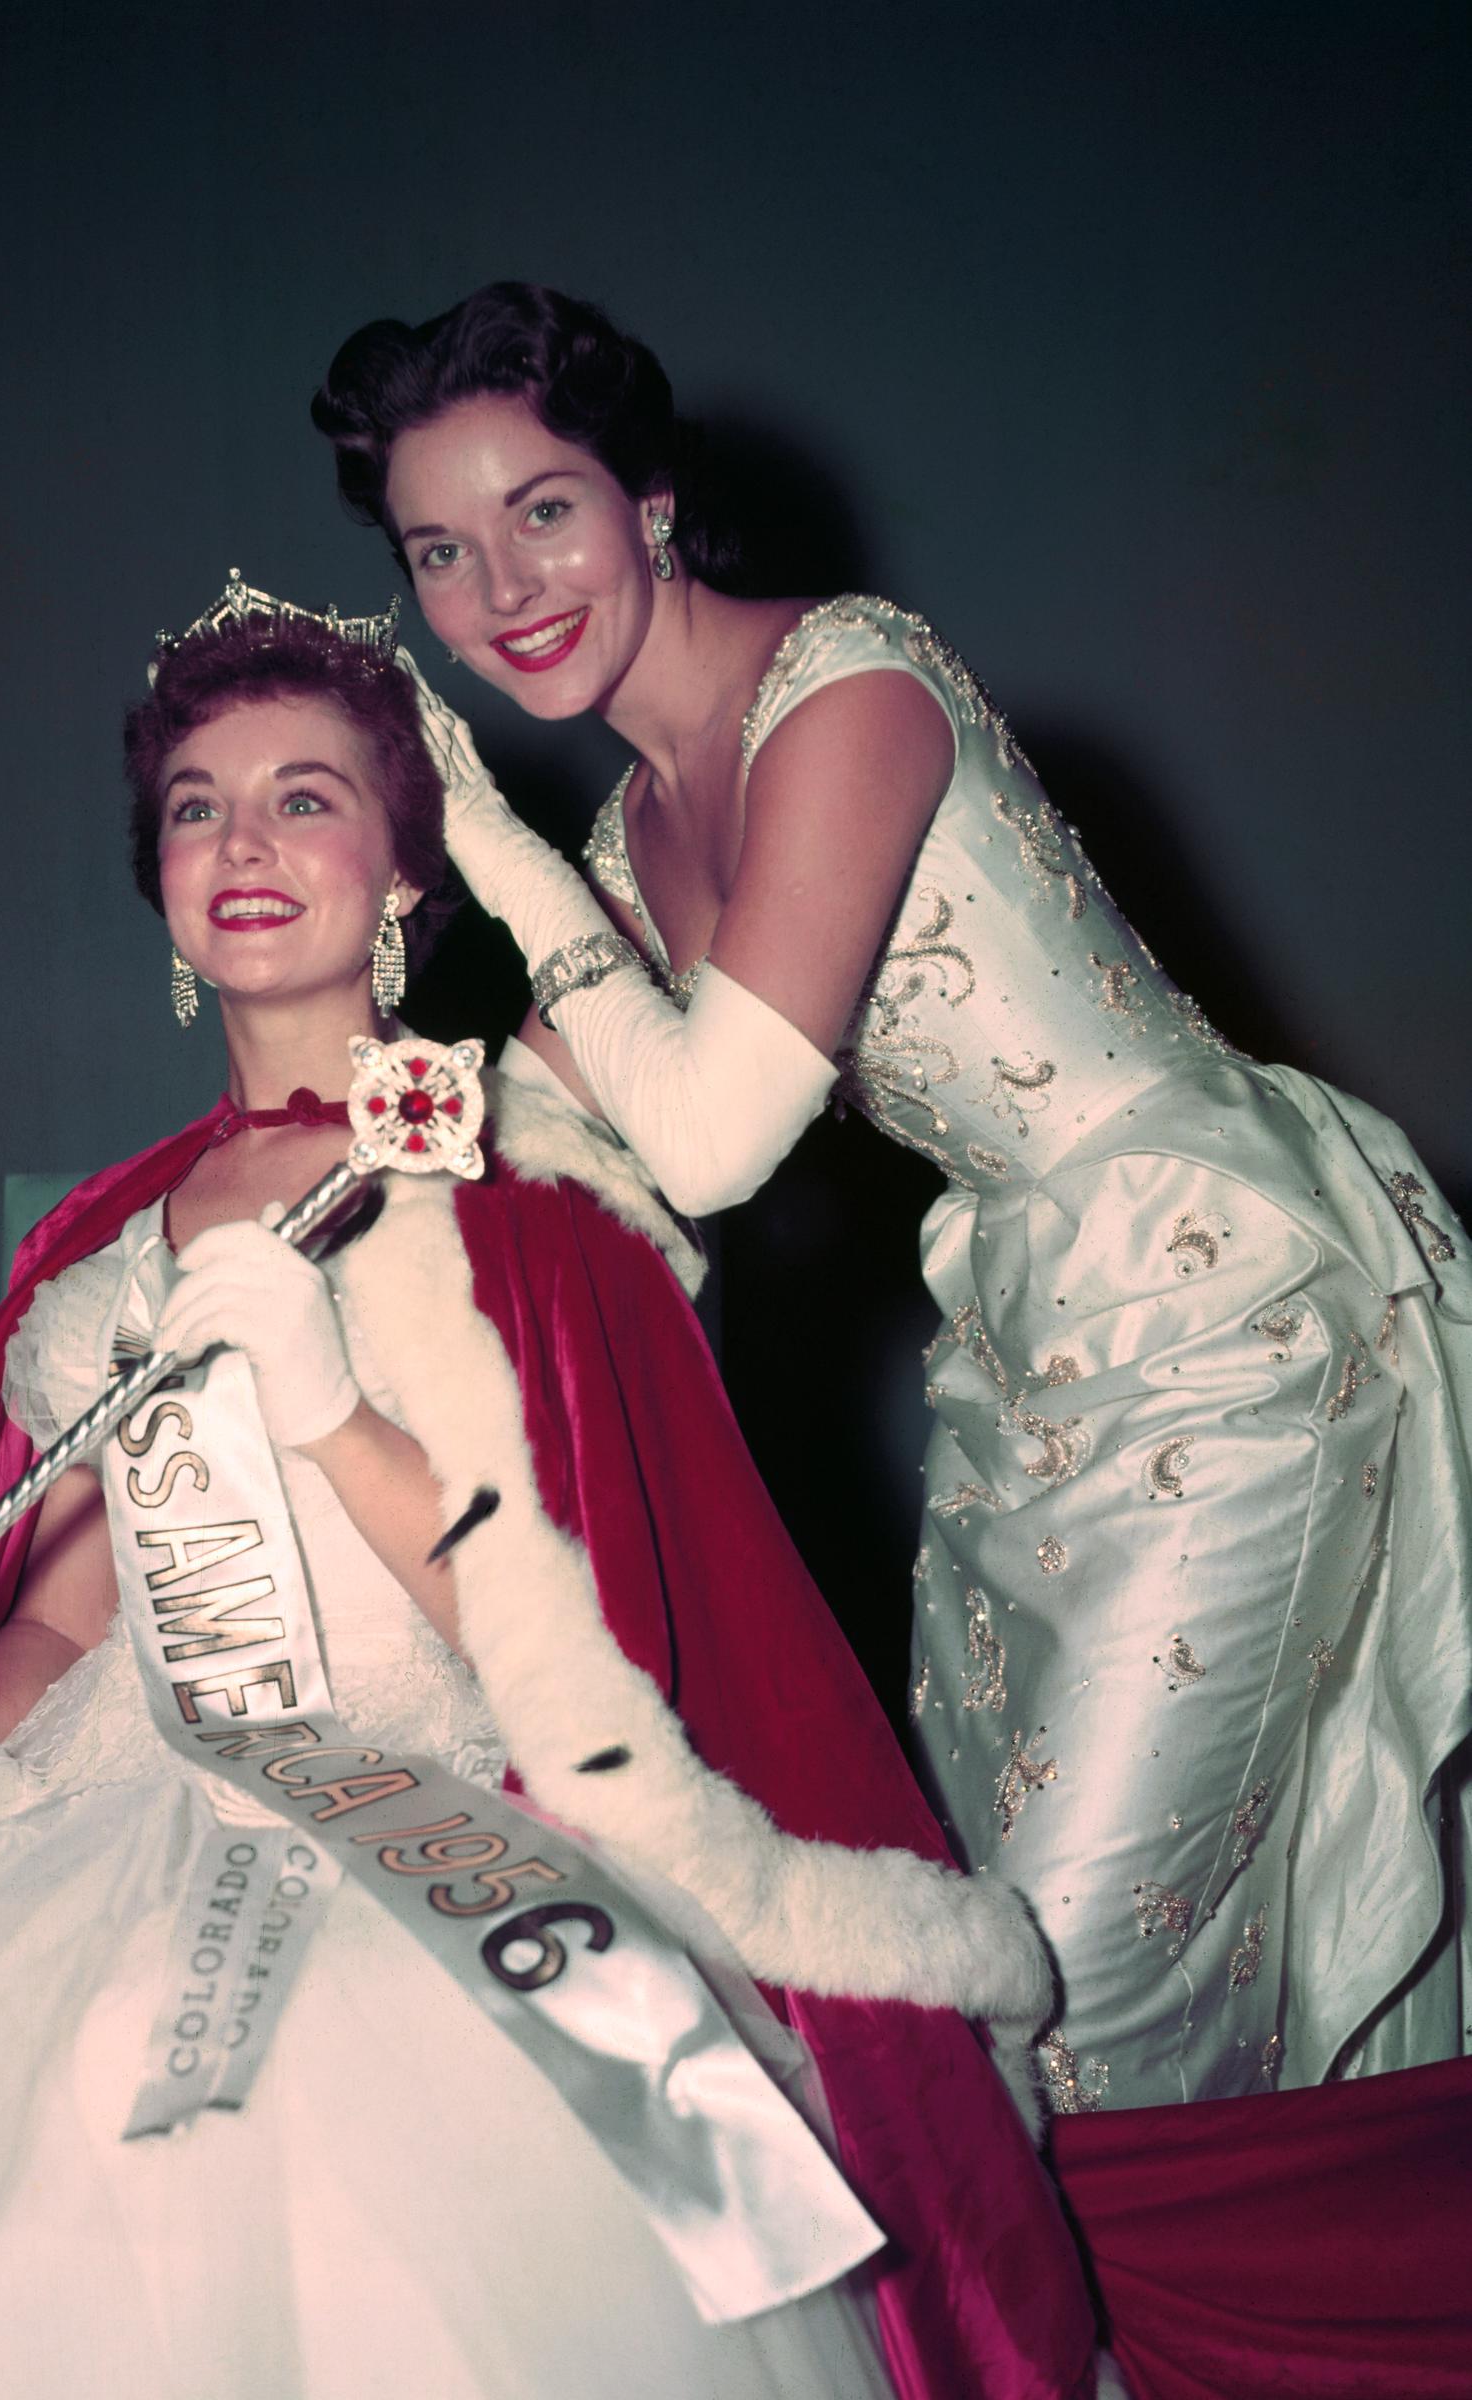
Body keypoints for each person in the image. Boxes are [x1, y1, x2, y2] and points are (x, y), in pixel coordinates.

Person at [0, 584, 1100, 2400]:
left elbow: (597, 1636)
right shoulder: (93, 1261)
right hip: (93, 1796)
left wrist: (339, 1407)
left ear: (406, 874)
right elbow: (55, 1616)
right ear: (162, 893)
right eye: (196, 804)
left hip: (425, 1818)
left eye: (305, 796)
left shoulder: (528, 1180)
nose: (244, 841)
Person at [312, 283, 1472, 2126]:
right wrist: (282, 1162)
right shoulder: (628, 847)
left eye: (544, 510)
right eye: (438, 550)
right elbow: (519, 1129)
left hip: (1225, 1305)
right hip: (1021, 1351)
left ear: (652, 505)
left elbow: (704, 1144)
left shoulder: (847, 685)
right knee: (972, 1956)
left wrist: (496, 858)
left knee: (1056, 2004)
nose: (501, 588)